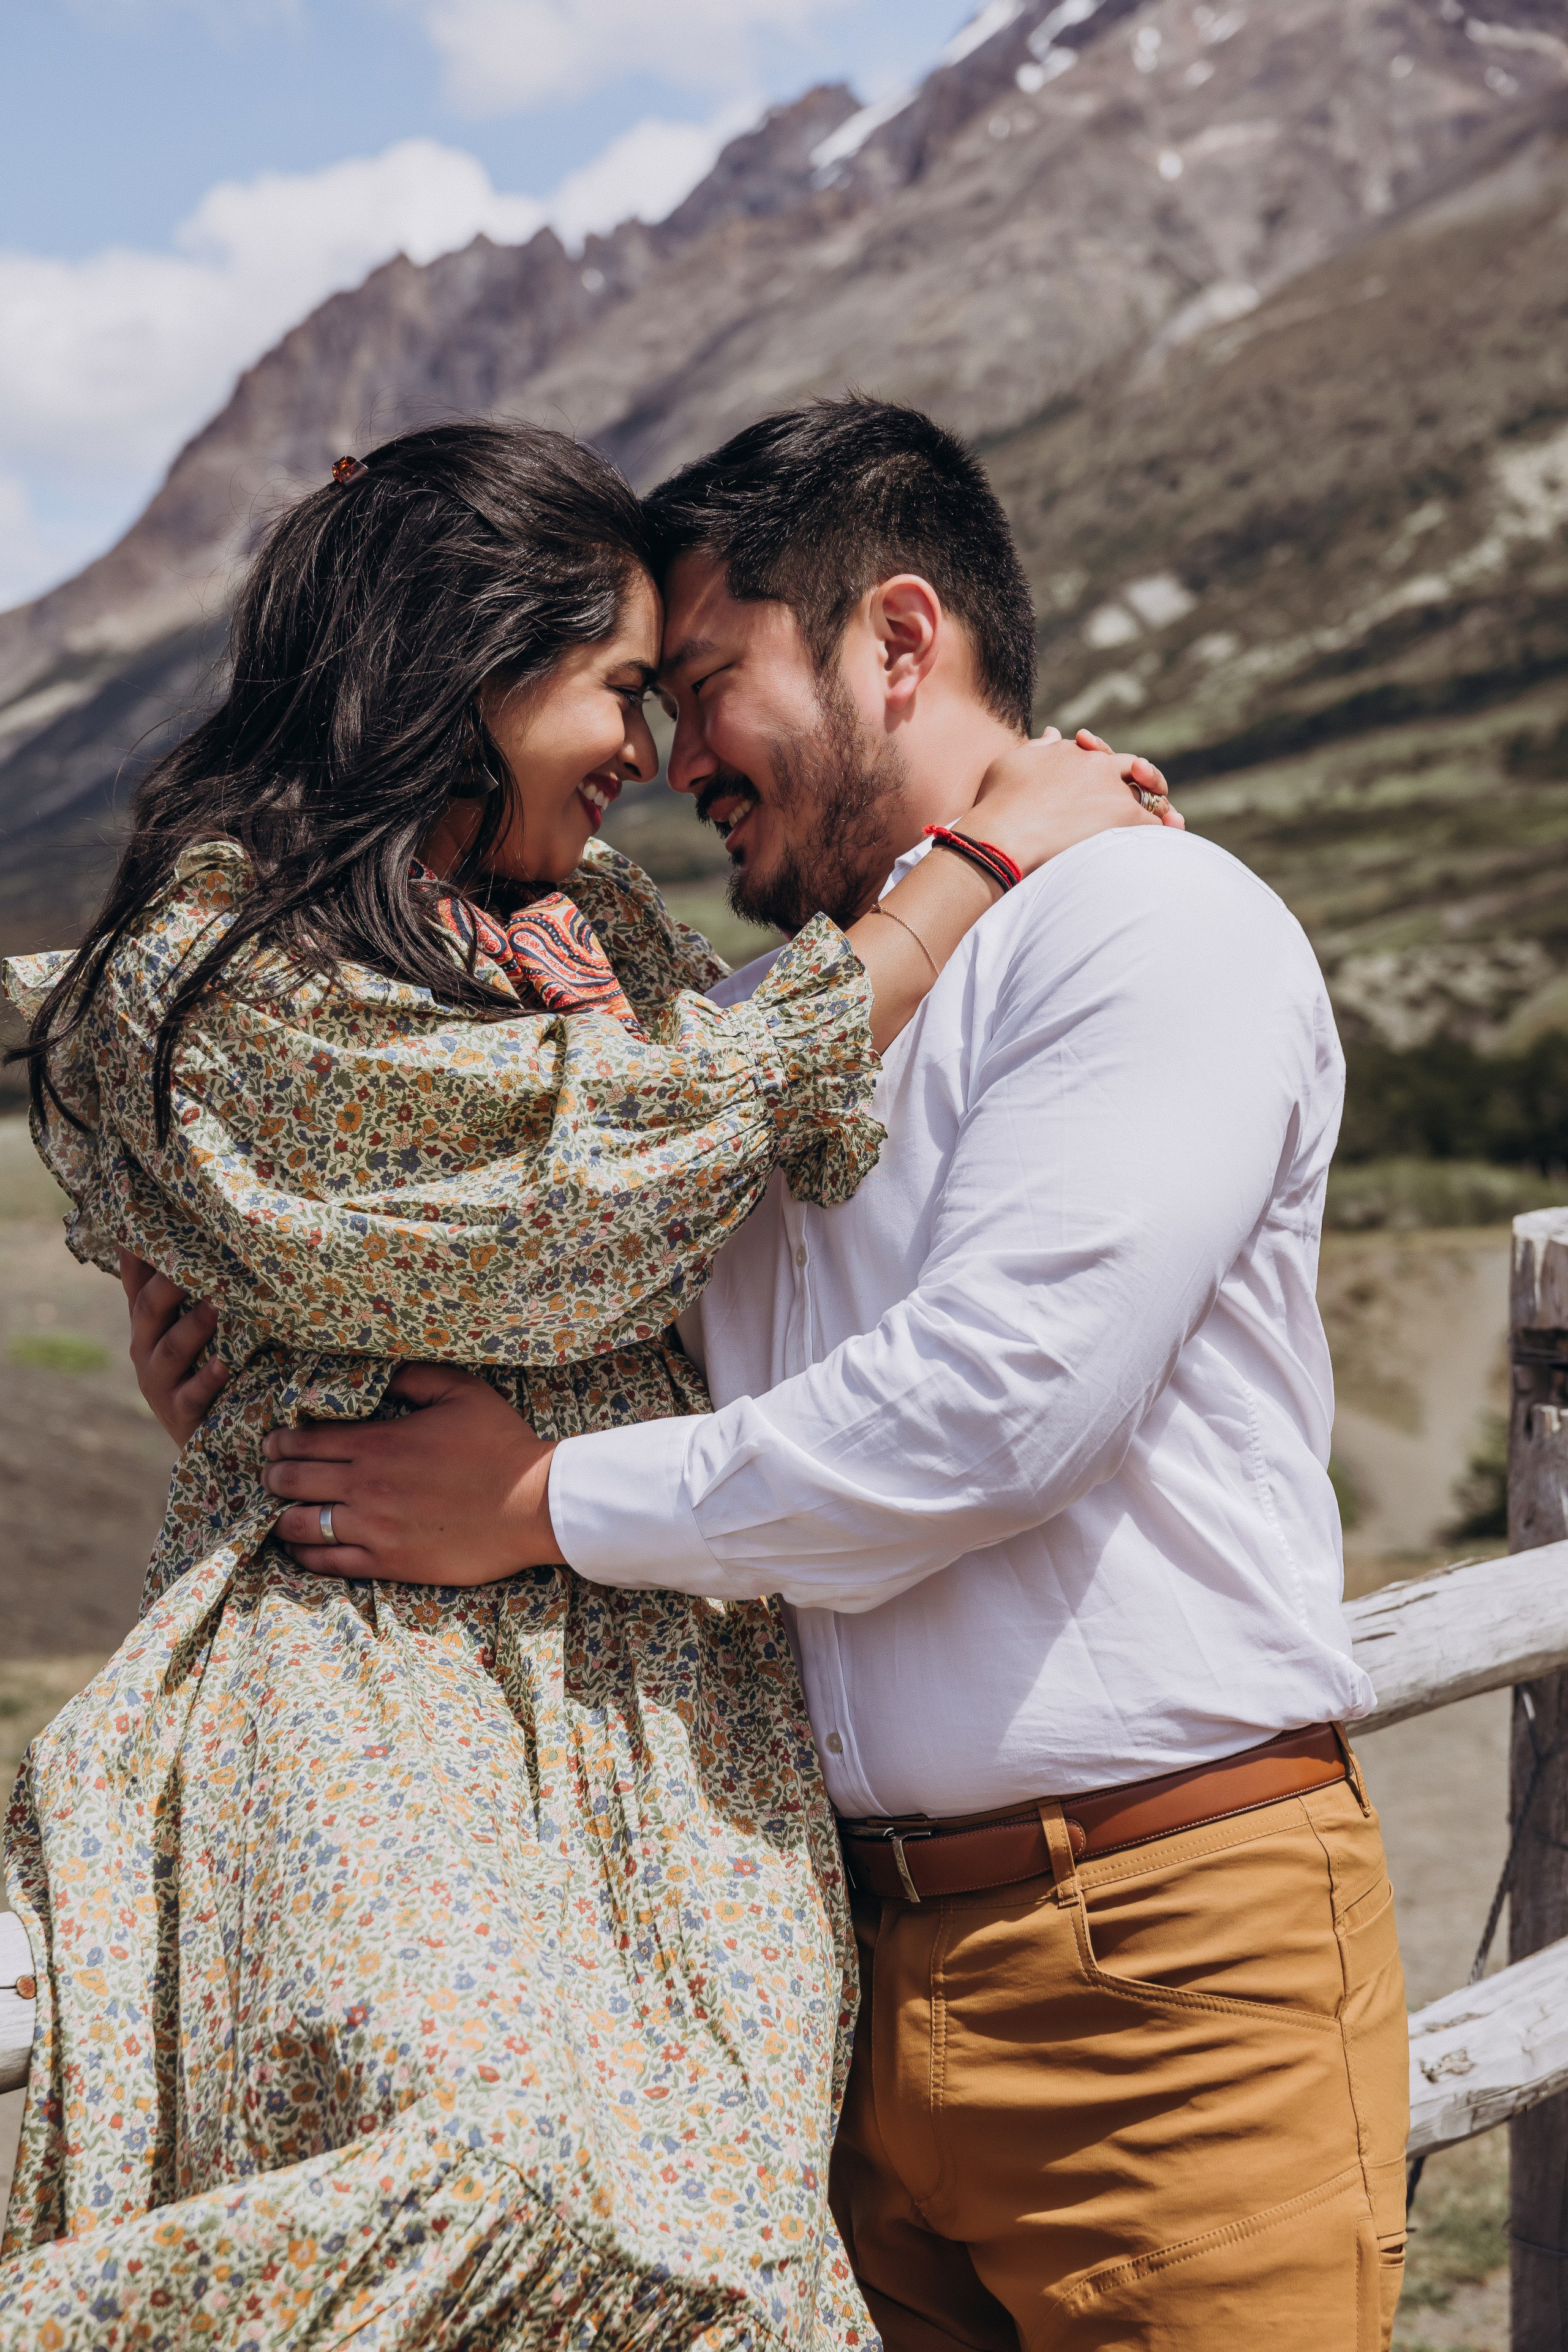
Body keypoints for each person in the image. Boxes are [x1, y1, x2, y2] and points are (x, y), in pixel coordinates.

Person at [220, 399, 1411, 2352]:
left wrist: (531, 1508)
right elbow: (606, 1320)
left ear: (899, 644)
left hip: (1162, 1967)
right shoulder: (789, 1022)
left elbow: (993, 1412)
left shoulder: (1147, 924)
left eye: (703, 686)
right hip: (847, 1995)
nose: (677, 761)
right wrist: (266, 1373)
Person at [0, 414, 1164, 2351]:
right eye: (621, 688)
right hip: (377, 1663)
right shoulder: (223, 962)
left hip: (669, 1701)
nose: (646, 751)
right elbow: (605, 1173)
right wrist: (975, 862)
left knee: (729, 2234)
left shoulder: (592, 933)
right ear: (471, 667)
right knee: (499, 2157)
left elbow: (750, 1163)